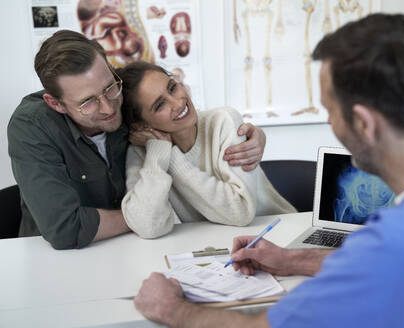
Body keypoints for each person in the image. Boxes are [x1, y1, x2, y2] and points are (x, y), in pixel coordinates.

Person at [133, 13, 404, 327]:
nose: (330, 122)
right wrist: (291, 259)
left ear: (364, 124)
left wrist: (173, 310)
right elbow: (376, 267)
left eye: (329, 110)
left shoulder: (398, 245)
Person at [7, 30, 267, 250]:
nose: (109, 108)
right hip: (52, 259)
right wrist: (142, 215)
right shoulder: (32, 126)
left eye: (110, 87)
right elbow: (66, 228)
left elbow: (178, 115)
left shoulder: (126, 102)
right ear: (56, 103)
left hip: (135, 248)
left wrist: (244, 130)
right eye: (87, 102)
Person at [116, 61, 296, 238]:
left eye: (172, 88)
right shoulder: (142, 153)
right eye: (159, 105)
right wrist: (158, 154)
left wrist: (171, 157)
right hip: (222, 245)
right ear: (141, 126)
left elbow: (241, 211)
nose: (177, 103)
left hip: (278, 232)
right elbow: (148, 227)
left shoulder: (222, 122)